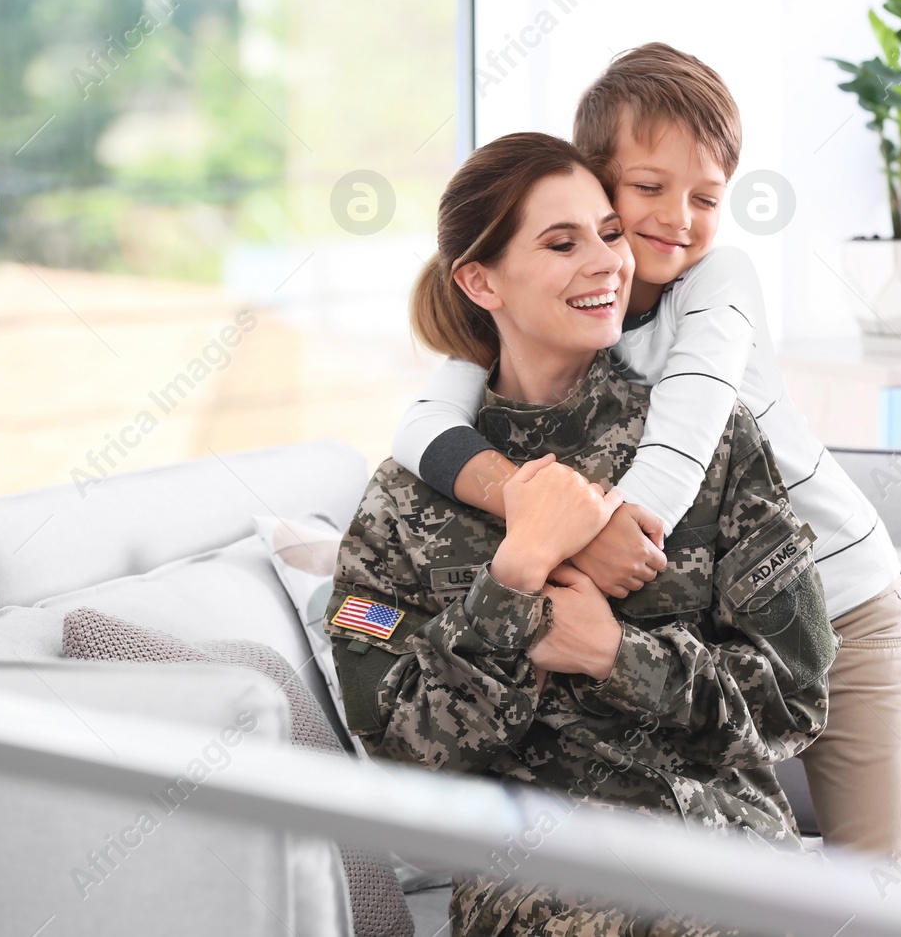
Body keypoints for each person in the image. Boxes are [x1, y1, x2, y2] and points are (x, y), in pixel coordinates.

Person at [390, 44, 901, 869]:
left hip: (844, 604)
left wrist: (603, 535)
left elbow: (684, 440)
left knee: (876, 894)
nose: (678, 217)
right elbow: (425, 426)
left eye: (706, 196)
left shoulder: (720, 284)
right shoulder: (556, 302)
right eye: (647, 188)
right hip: (715, 629)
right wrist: (535, 509)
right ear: (593, 180)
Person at [327, 132, 838, 936]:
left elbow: (796, 696)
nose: (607, 262)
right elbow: (403, 753)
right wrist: (516, 575)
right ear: (479, 279)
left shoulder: (707, 439)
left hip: (723, 849)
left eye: (609, 234)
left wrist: (617, 655)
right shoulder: (403, 500)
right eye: (562, 243)